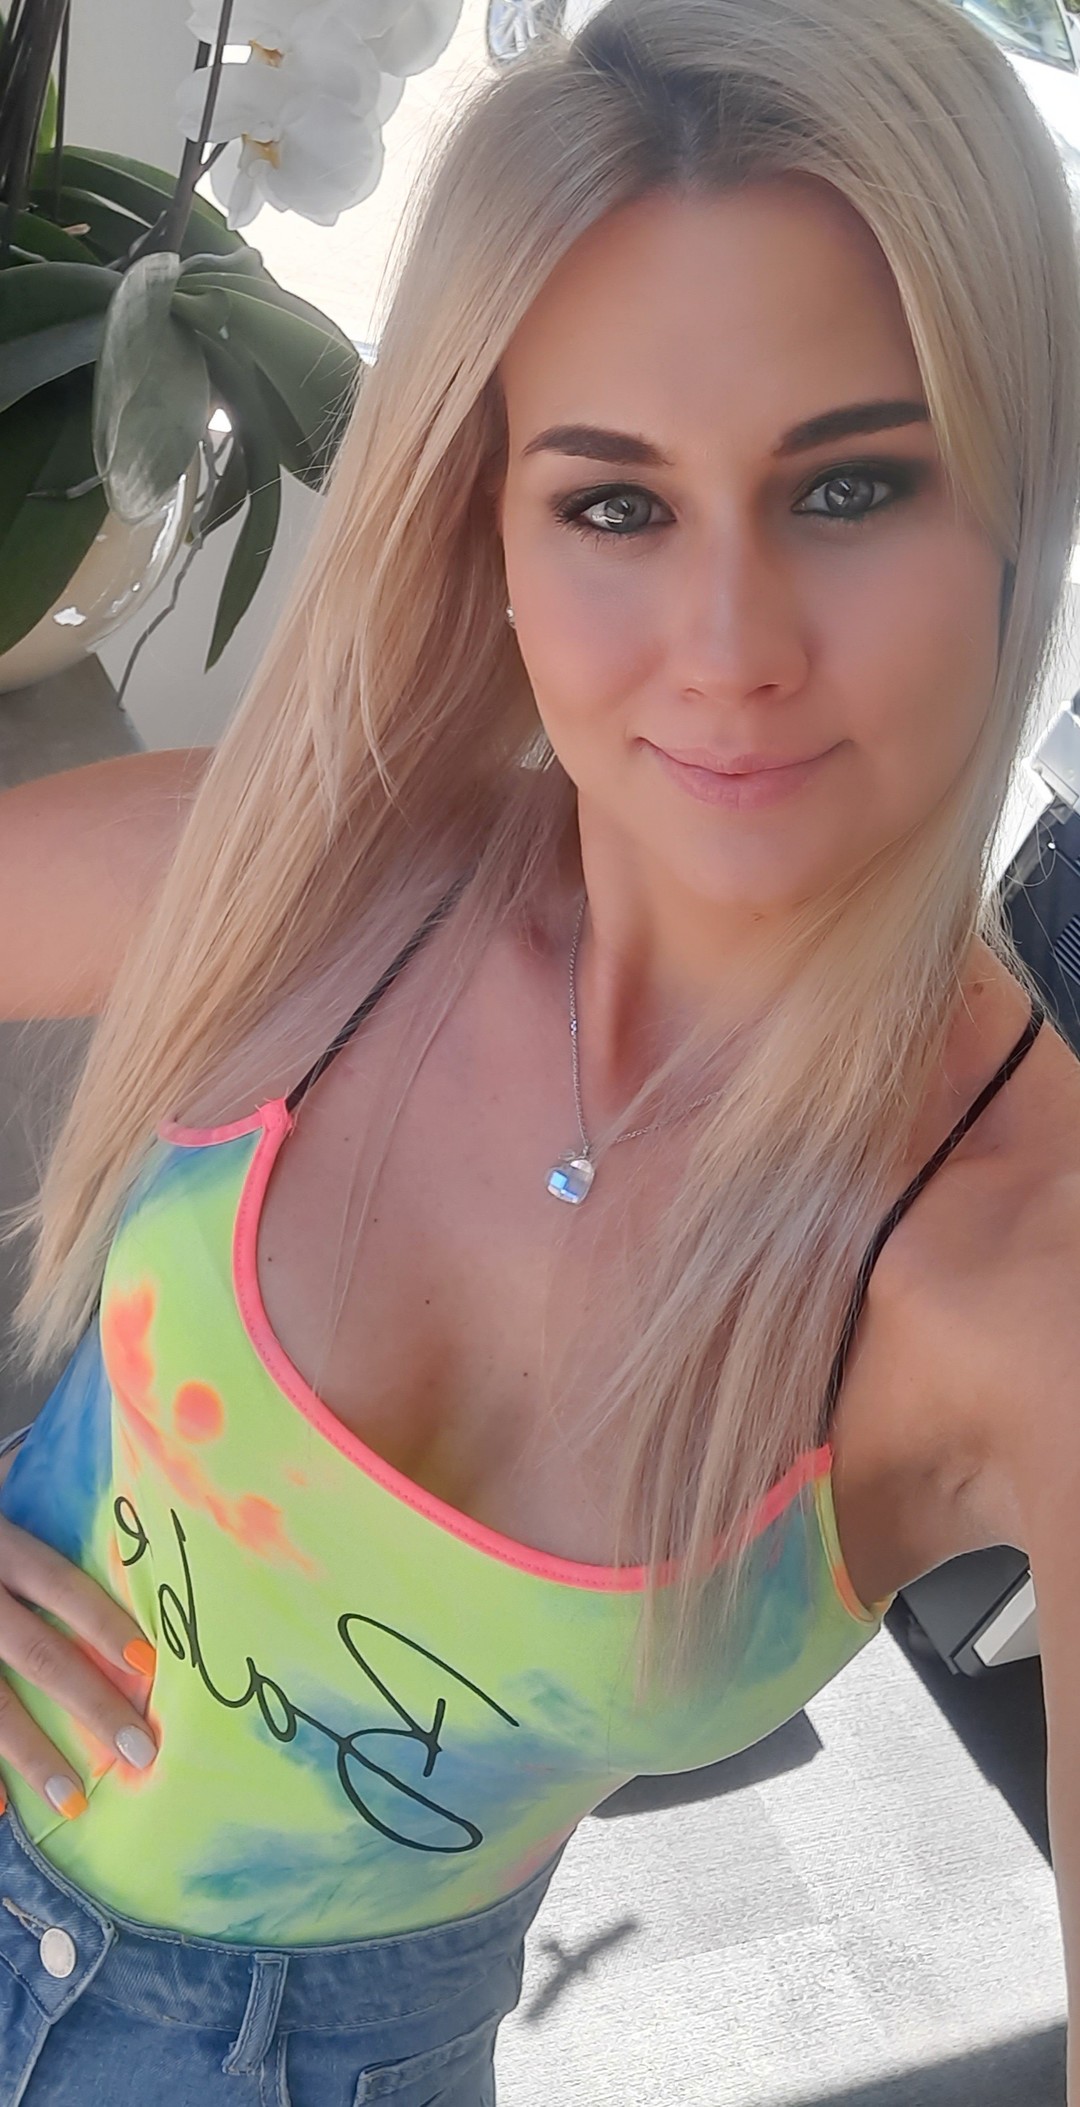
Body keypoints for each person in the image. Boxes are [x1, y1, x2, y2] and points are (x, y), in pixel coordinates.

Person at [0, 0, 1077, 2094]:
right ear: (486, 526)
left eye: (853, 484)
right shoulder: (295, 879)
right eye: (615, 507)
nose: (733, 652)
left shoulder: (1020, 1271)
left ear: (1019, 507)